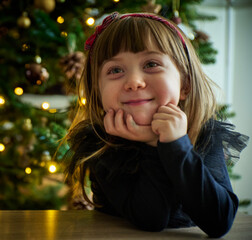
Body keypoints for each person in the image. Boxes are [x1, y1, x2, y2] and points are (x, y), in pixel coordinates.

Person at [63, 12, 249, 238]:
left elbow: (219, 220)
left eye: (151, 64)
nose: (133, 82)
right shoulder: (101, 144)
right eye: (115, 70)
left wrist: (177, 145)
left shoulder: (203, 132)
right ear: (97, 91)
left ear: (185, 84)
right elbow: (150, 219)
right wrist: (154, 143)